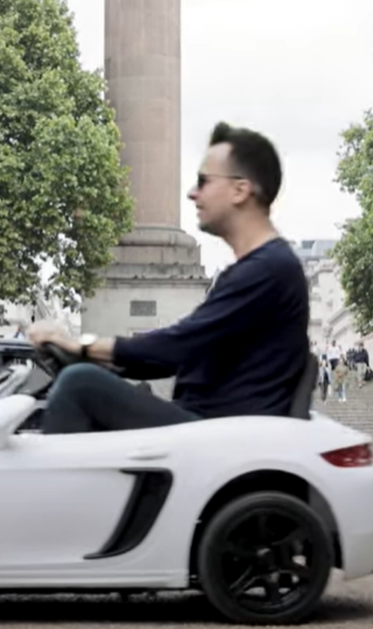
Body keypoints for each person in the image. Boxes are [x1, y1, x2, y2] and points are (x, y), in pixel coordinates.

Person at [26, 122, 309, 433]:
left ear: (240, 190)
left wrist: (80, 344)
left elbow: (175, 346)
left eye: (203, 181)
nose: (192, 193)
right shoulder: (260, 268)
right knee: (87, 378)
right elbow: (166, 357)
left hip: (219, 435)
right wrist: (87, 355)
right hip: (210, 428)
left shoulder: (267, 270)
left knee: (79, 385)